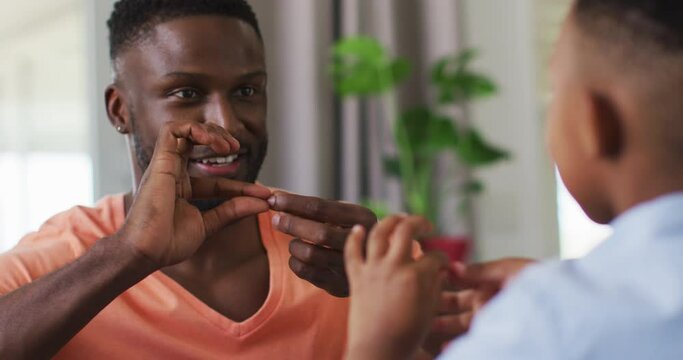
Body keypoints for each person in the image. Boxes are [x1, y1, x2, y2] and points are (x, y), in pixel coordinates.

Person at [0, 1, 381, 358]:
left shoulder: (339, 255)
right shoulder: (49, 265)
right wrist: (128, 253)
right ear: (120, 111)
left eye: (247, 91)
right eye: (186, 92)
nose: (228, 124)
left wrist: (381, 302)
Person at [343, 0, 683, 359]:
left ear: (593, 123)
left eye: (555, 90)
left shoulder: (544, 322)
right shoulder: (556, 311)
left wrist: (378, 343)